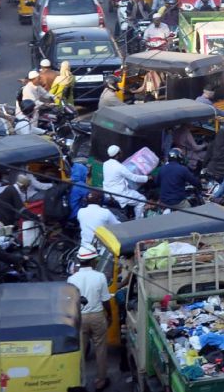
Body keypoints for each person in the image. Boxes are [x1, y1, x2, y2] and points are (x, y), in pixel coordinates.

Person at [67, 245, 112, 392]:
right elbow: (105, 300)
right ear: (93, 261)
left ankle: (79, 382)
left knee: (79, 352)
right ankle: (101, 380)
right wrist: (110, 315)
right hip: (97, 316)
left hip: (80, 318)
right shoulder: (100, 277)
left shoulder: (72, 279)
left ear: (80, 261)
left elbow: (70, 302)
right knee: (101, 348)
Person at [103, 144, 150, 218]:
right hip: (119, 194)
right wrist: (147, 178)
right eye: (120, 152)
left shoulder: (105, 164)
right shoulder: (119, 167)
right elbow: (134, 178)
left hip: (108, 193)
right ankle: (138, 220)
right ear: (117, 155)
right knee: (142, 199)